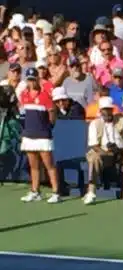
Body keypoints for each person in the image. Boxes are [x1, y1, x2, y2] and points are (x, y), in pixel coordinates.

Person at [17, 67, 60, 203]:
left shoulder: (45, 96)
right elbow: (23, 114)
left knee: (49, 165)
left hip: (43, 135)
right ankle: (35, 191)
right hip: (29, 135)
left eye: (33, 79)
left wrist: (49, 126)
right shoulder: (24, 95)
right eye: (29, 80)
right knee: (33, 166)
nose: (31, 82)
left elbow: (52, 113)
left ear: (38, 79)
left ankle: (55, 192)